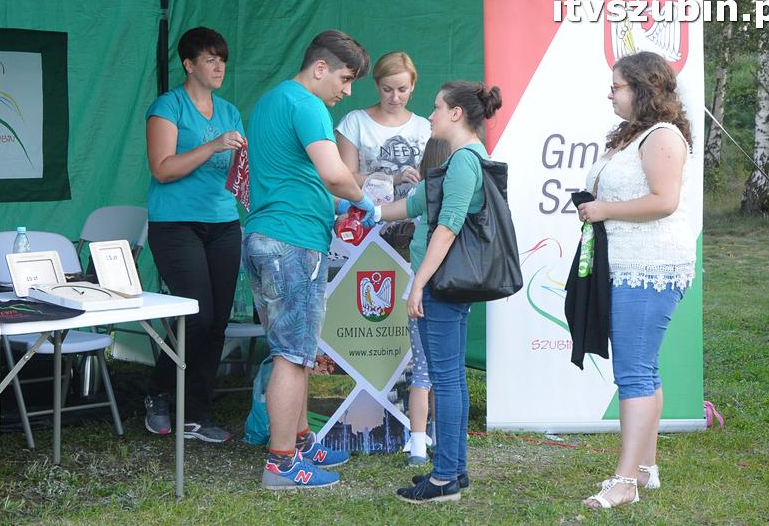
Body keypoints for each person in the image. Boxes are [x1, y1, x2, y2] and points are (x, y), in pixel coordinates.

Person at [340, 81, 503, 503]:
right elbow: (413, 206)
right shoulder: (459, 161)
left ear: (455, 114)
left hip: (443, 284)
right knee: (452, 381)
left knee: (445, 381)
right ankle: (455, 469)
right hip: (443, 283)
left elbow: (447, 226)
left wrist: (419, 282)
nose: (428, 115)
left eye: (435, 107)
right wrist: (369, 211)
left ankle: (446, 476)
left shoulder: (465, 162)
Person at [243, 29, 375, 490]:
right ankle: (282, 463)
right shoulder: (307, 104)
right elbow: (333, 172)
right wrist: (362, 200)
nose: (346, 90)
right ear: (319, 68)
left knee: (296, 352)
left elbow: (291, 174)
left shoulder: (271, 101)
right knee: (292, 354)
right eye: (344, 78)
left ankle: (300, 442)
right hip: (292, 242)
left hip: (270, 235)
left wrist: (332, 205)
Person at [577, 51, 696, 509]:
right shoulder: (635, 136)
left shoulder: (663, 136)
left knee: (633, 373)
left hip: (651, 267)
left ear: (643, 90)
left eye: (618, 85)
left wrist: (604, 209)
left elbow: (664, 201)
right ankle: (646, 469)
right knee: (644, 369)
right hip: (627, 265)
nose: (611, 92)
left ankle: (624, 482)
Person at [143, 27, 244, 443]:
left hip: (223, 222)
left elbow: (237, 172)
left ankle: (195, 413)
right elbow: (162, 168)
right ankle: (158, 392)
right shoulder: (168, 107)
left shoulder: (230, 111)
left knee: (218, 320)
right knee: (196, 316)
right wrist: (213, 146)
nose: (219, 66)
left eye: (222, 58)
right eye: (209, 59)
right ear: (189, 65)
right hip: (175, 224)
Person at [404, 137, 452, 467]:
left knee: (422, 372)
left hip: (418, 291)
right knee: (445, 371)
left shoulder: (420, 192)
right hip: (450, 290)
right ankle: (442, 435)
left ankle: (418, 443)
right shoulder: (458, 195)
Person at [336, 51, 431, 200]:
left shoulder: (425, 127)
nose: (395, 97)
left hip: (415, 219)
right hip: (368, 218)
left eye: (402, 89)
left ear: (412, 85)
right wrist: (392, 179)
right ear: (377, 85)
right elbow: (344, 179)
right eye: (387, 90)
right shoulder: (355, 122)